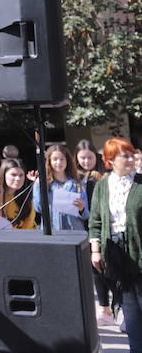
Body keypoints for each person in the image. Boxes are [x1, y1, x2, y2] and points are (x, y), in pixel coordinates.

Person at [90, 137, 142, 350]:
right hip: (116, 253)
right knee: (130, 309)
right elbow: (95, 220)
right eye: (125, 155)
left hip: (139, 250)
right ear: (110, 160)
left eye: (132, 154)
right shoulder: (102, 186)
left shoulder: (140, 182)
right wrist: (96, 251)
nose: (131, 159)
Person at [76, 139, 113, 324]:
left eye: (89, 157)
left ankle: (117, 305)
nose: (86, 161)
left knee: (110, 268)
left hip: (103, 224)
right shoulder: (74, 178)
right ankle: (105, 307)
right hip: (83, 225)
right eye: (82, 158)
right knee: (95, 269)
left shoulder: (104, 176)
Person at [32, 144, 88, 232]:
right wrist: (39, 186)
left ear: (67, 160)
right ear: (49, 161)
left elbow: (86, 215)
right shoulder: (43, 183)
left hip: (75, 232)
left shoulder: (77, 184)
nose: (59, 162)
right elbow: (38, 208)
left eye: (62, 159)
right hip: (53, 232)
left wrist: (82, 209)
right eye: (55, 159)